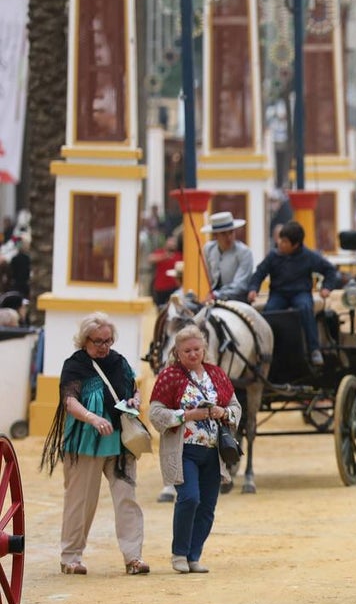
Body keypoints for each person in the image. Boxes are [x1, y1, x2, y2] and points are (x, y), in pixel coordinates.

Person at [39, 312, 150, 576]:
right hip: (86, 441)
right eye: (98, 341)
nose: (104, 346)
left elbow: (134, 388)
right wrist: (92, 417)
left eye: (108, 341)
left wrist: (136, 400)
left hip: (120, 442)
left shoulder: (119, 362)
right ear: (85, 340)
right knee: (80, 501)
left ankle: (133, 557)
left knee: (127, 499)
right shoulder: (75, 364)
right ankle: (71, 558)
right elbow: (69, 401)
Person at [148, 325, 241, 574]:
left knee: (208, 506)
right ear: (178, 353)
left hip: (213, 452)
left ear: (204, 349)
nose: (192, 354)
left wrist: (224, 412)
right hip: (184, 450)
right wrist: (187, 415)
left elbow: (235, 407)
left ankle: (194, 555)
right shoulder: (169, 376)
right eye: (187, 350)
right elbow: (155, 414)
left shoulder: (217, 374)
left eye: (196, 349)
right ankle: (179, 552)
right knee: (189, 498)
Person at [247, 220, 340, 366]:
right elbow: (259, 273)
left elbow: (330, 270)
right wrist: (253, 288)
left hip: (300, 293)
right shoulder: (273, 256)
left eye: (284, 242)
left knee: (305, 308)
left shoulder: (309, 256)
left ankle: (314, 349)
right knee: (269, 312)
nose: (280, 244)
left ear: (295, 245)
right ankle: (264, 349)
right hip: (279, 294)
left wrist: (327, 287)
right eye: (280, 240)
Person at [201, 211, 254, 302]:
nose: (229, 237)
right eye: (223, 234)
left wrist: (217, 295)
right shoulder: (208, 249)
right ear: (215, 235)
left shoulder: (244, 252)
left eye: (231, 232)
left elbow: (240, 285)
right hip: (213, 298)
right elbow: (210, 278)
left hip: (237, 299)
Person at [149, 233, 183, 307]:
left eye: (174, 242)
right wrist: (164, 257)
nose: (172, 244)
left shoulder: (179, 255)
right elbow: (150, 259)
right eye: (170, 241)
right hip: (160, 288)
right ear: (166, 242)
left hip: (174, 288)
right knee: (160, 308)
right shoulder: (160, 252)